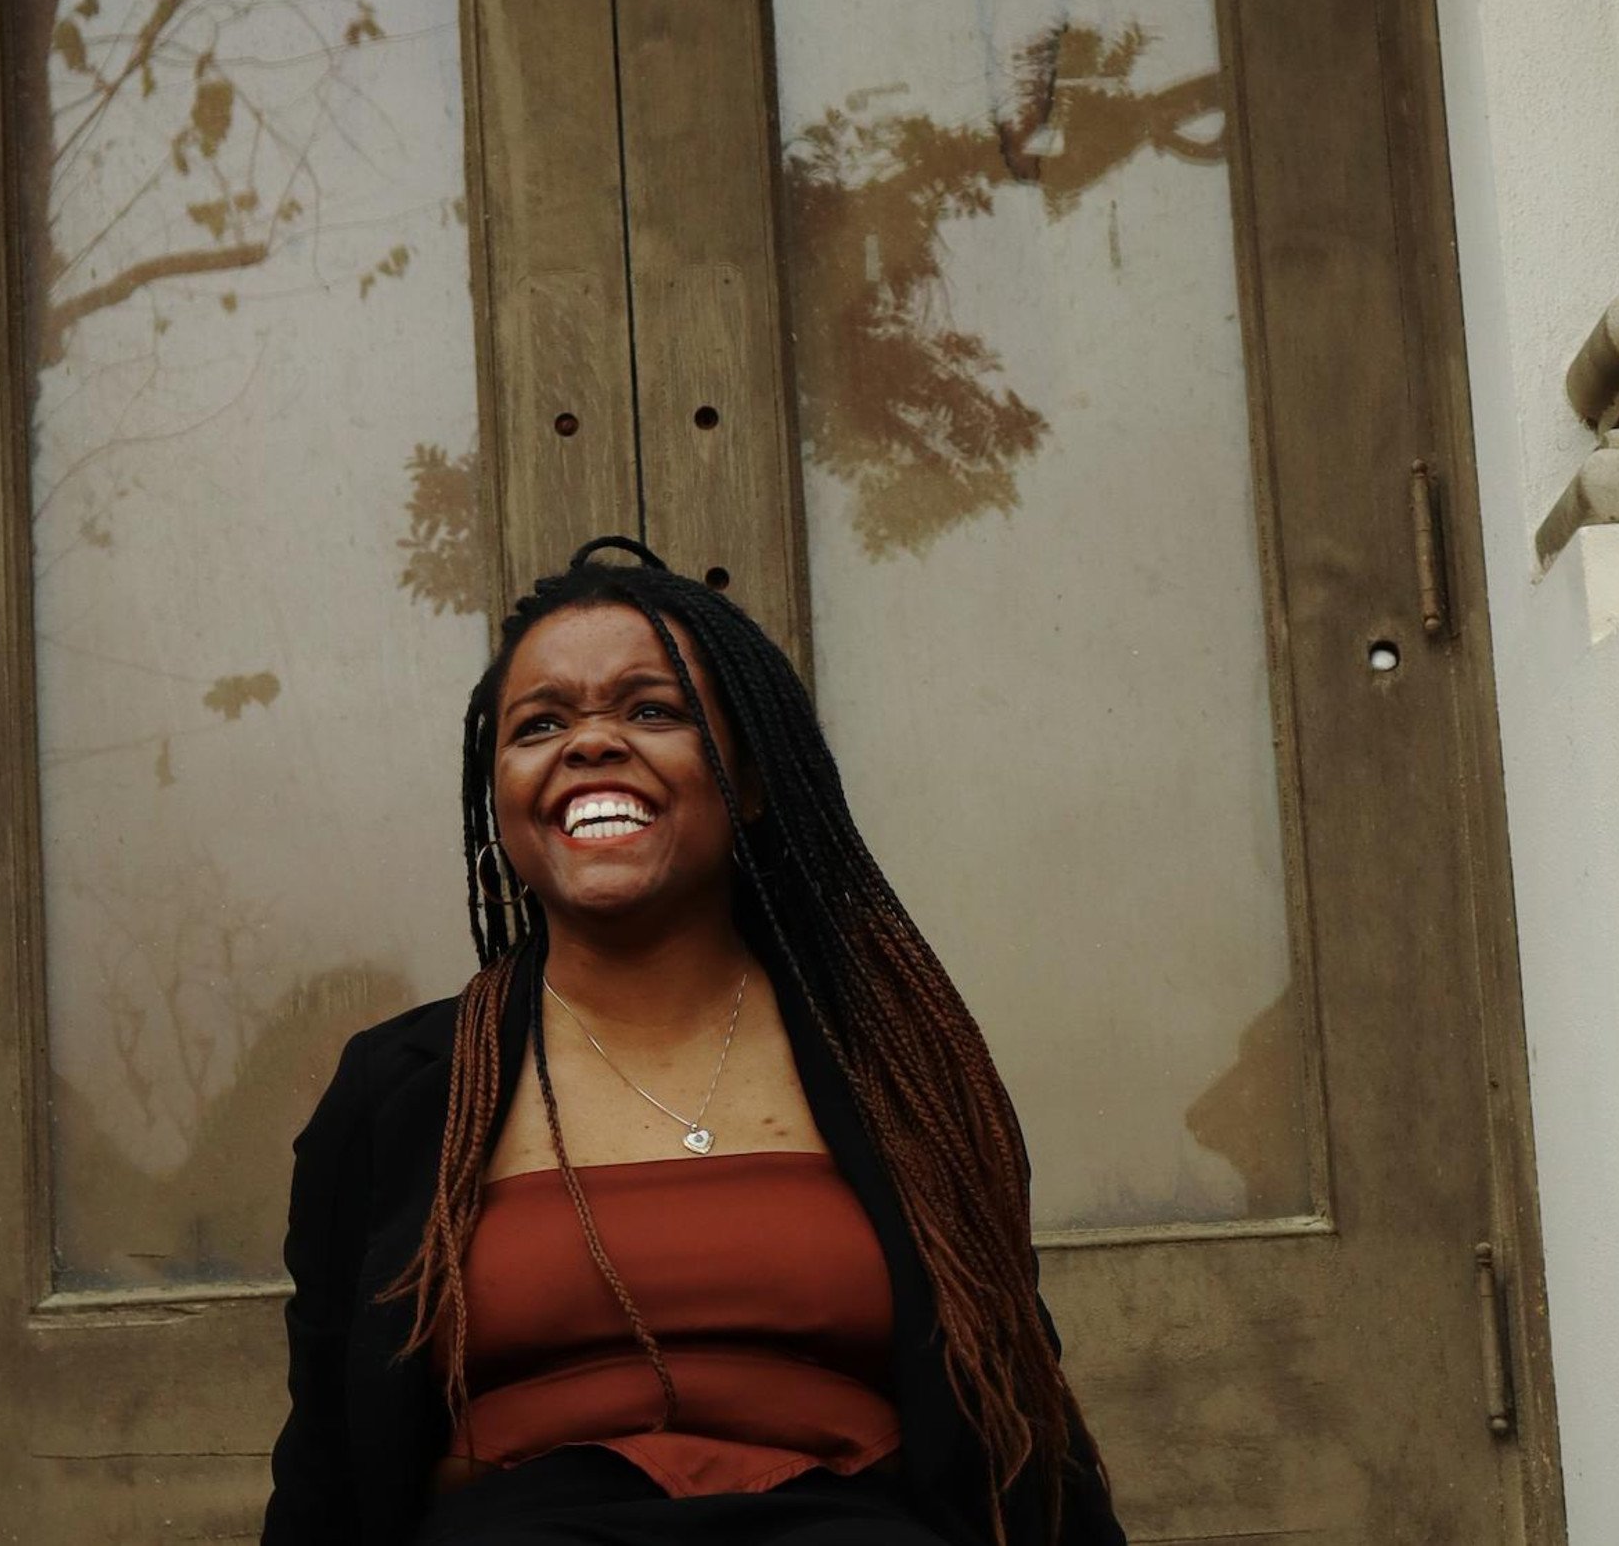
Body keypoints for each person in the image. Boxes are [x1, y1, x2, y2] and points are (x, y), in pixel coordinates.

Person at [263, 537, 1122, 1546]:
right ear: (500, 798)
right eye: (540, 724)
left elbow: (1026, 1417)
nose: (591, 743)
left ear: (749, 781)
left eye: (651, 710)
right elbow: (326, 1459)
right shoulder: (403, 1090)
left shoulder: (899, 1065)